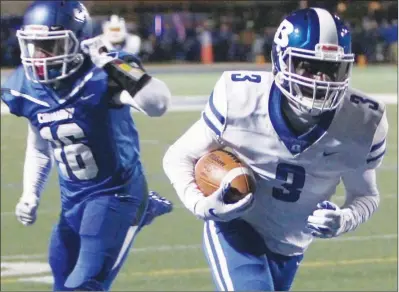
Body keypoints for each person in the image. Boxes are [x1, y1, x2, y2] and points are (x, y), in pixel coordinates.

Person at [163, 7, 388, 291]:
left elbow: (365, 194)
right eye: (308, 66)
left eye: (331, 68)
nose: (320, 80)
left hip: (291, 245)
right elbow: (178, 155)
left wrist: (344, 219)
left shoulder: (364, 123)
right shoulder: (240, 97)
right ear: (281, 60)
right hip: (237, 226)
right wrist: (200, 204)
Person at [1, 1, 173, 291]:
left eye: (49, 47)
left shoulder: (102, 74)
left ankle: (139, 209)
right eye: (33, 46)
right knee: (61, 276)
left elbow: (158, 104)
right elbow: (39, 146)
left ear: (77, 40)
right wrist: (30, 193)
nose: (39, 57)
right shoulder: (26, 86)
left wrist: (112, 63)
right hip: (74, 201)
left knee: (83, 286)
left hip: (117, 194)